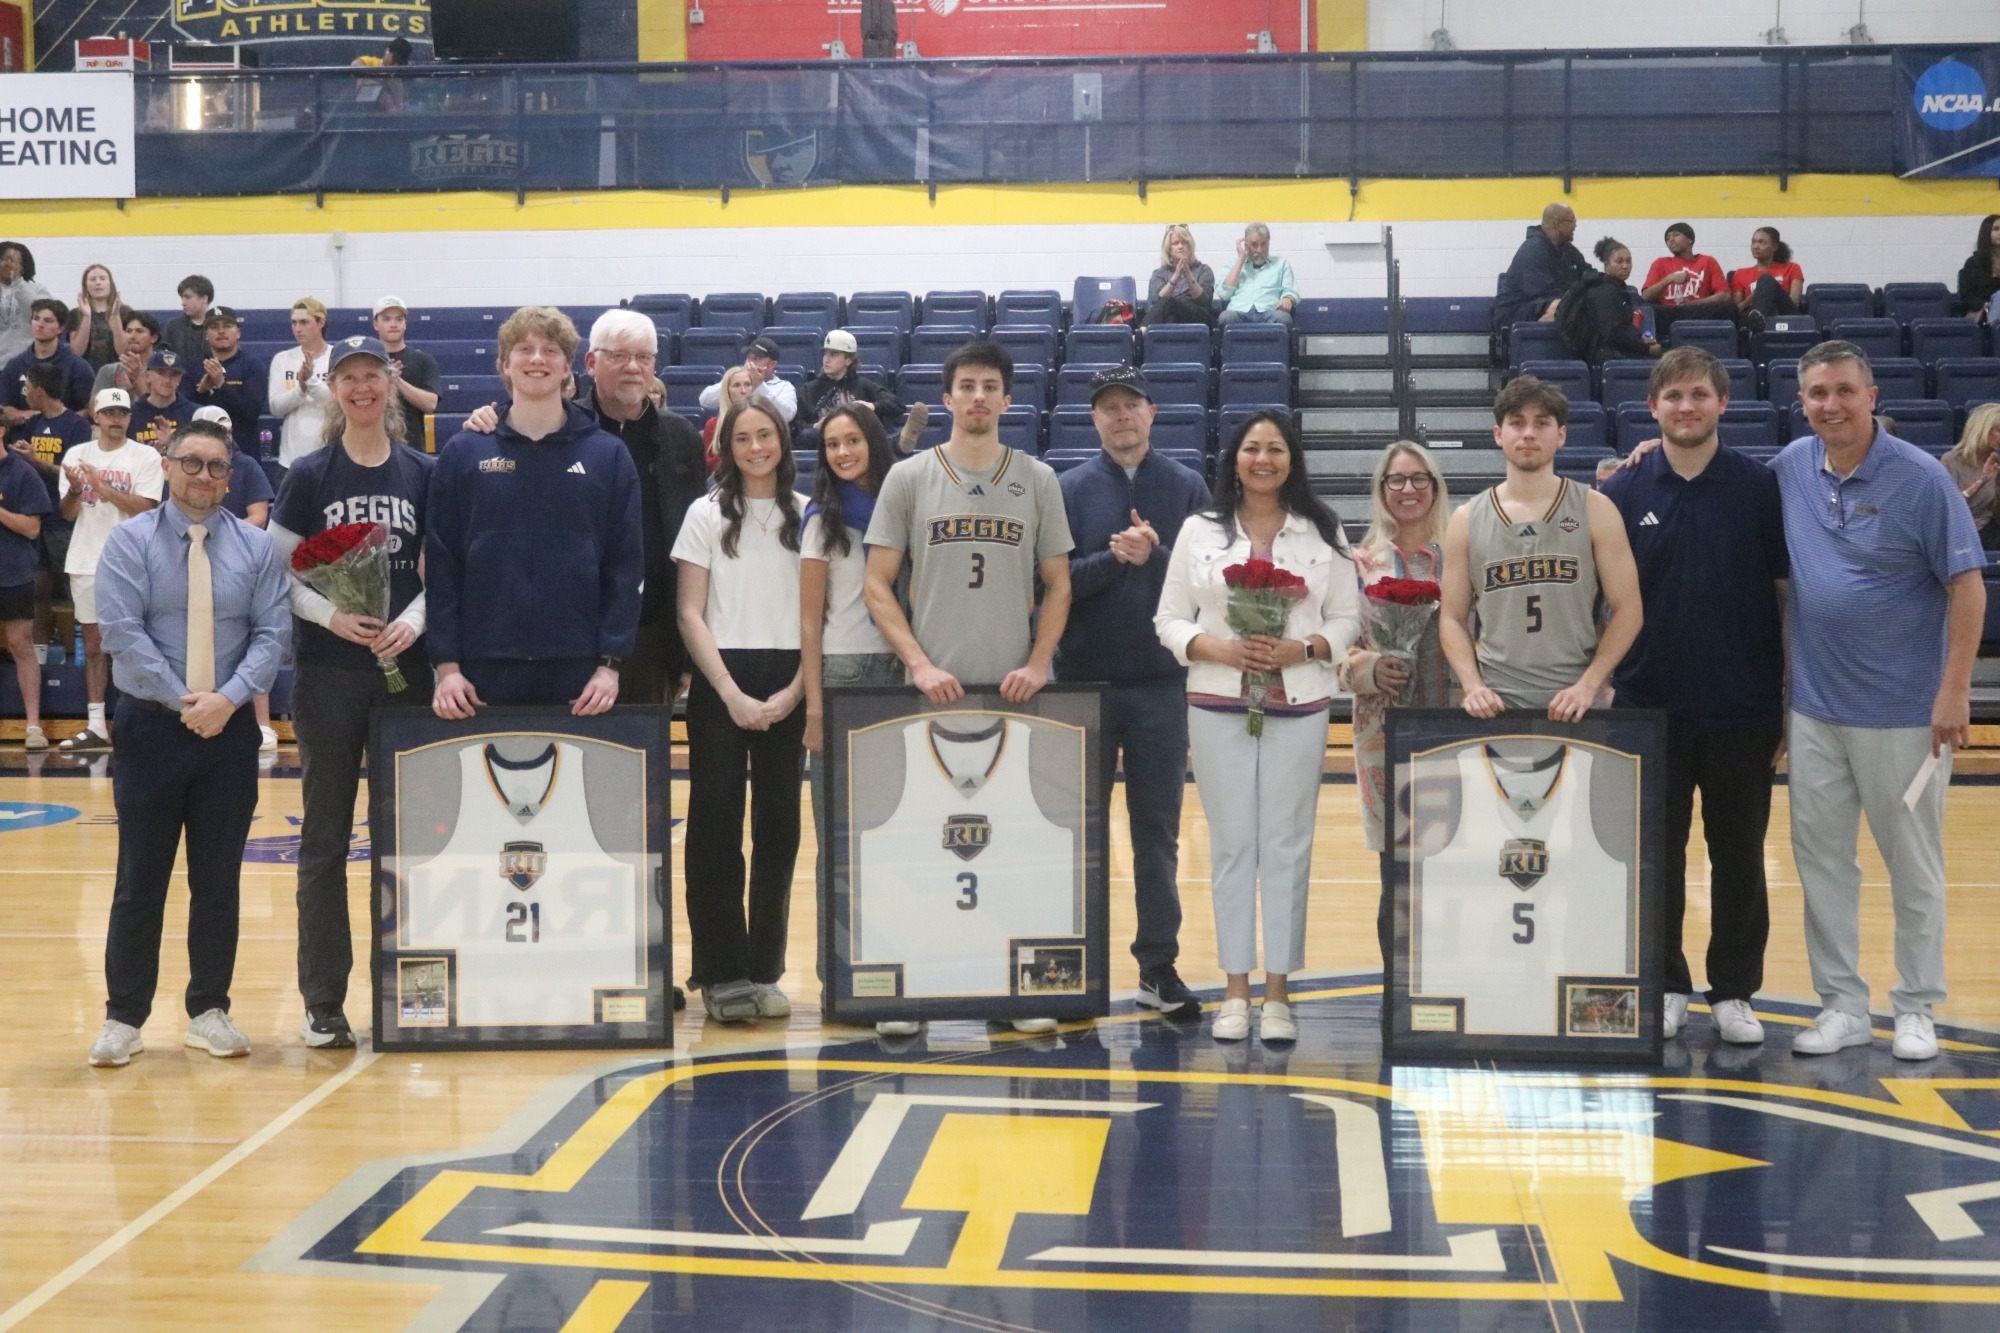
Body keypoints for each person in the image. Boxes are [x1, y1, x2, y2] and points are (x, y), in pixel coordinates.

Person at [1777, 341, 1987, 1062]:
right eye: (1817, 393)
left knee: (1914, 867)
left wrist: (1953, 690)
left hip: (1905, 714)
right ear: (1801, 402)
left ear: (1871, 397)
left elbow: (1967, 587)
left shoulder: (1921, 478)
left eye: (1844, 390)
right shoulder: (1791, 467)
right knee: (1823, 865)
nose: (1830, 404)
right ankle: (1842, 1004)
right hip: (1814, 711)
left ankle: (1917, 1005)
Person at [862, 338, 1074, 1036]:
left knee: (1012, 848)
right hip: (927, 695)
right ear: (947, 397)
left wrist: (1039, 661)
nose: (978, 396)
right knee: (921, 849)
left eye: (990, 386)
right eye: (967, 386)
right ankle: (912, 992)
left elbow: (1059, 584)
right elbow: (876, 583)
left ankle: (1014, 991)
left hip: (1014, 697)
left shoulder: (1037, 479)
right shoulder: (909, 478)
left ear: (1008, 400)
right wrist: (919, 663)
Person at [84, 420, 291, 1068]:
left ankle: (208, 1010)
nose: (204, 476)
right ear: (168, 466)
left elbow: (271, 634)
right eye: (193, 463)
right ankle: (123, 1018)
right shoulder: (129, 541)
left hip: (228, 733)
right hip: (150, 727)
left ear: (230, 477)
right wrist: (185, 702)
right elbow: (123, 632)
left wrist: (226, 700)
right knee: (139, 879)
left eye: (217, 467)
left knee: (218, 881)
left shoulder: (256, 548)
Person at [1599, 347, 1787, 1045]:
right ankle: (1668, 983)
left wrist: (1787, 698)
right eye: (1673, 396)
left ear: (1722, 403)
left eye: (1699, 394)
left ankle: (1734, 990)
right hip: (1647, 708)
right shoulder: (1621, 492)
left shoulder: (1759, 487)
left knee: (1739, 857)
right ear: (1652, 407)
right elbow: (1602, 601)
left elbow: (1785, 594)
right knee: (1655, 858)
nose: (1686, 406)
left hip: (1743, 705)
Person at [1154, 409, 1361, 1044]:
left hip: (1300, 704)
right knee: (1232, 846)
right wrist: (1215, 648)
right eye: (1251, 448)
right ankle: (1235, 991)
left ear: (1292, 460)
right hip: (1216, 703)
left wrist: (1306, 649)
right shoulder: (1199, 530)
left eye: (1275, 449)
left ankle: (1278, 993)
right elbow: (1169, 619)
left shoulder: (1323, 530)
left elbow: (1348, 617)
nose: (1263, 459)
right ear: (1235, 460)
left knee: (1287, 845)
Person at [270, 337, 434, 1049]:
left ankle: (412, 997)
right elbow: (279, 572)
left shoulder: (425, 472)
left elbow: (446, 570)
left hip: (408, 672)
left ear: (390, 383)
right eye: (349, 378)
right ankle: (324, 1001)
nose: (362, 387)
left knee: (410, 840)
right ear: (334, 389)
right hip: (328, 673)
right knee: (326, 838)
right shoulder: (309, 475)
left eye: (373, 375)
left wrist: (411, 622)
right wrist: (330, 615)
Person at [1056, 366, 1212, 1018]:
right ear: (1094, 419)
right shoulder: (1067, 487)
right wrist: (1111, 558)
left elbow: (1210, 579)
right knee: (1077, 833)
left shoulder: (1187, 484)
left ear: (1152, 412)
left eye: (1130, 405)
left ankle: (1157, 965)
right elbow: (1053, 582)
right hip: (1082, 684)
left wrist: (1157, 553)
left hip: (1161, 685)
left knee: (1157, 834)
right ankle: (1072, 966)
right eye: (1108, 408)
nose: (1120, 416)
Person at [462, 309, 708, 703]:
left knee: (644, 742)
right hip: (576, 639)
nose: (633, 367)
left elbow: (694, 546)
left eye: (643, 357)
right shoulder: (563, 427)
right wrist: (489, 418)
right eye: (619, 356)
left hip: (654, 638)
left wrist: (684, 654)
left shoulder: (681, 438)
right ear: (591, 363)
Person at [427, 306, 642, 719]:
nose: (537, 359)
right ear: (504, 364)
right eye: (524, 349)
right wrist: (447, 666)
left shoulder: (608, 455)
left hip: (580, 671)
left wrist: (609, 665)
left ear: (567, 367)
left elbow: (625, 566)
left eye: (550, 350)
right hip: (480, 669)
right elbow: (442, 565)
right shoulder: (463, 453)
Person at [674, 395, 807, 1024]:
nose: (756, 448)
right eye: (743, 438)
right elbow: (689, 612)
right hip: (720, 679)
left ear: (782, 441)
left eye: (765, 435)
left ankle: (764, 970)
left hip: (790, 680)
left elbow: (820, 616)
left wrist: (795, 692)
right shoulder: (705, 514)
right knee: (715, 825)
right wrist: (729, 692)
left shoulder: (809, 514)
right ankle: (721, 972)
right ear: (726, 448)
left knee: (779, 828)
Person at [1439, 376, 1642, 720]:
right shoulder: (1466, 519)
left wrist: (1589, 685)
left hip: (1577, 701)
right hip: (1497, 702)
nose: (1529, 433)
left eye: (1541, 423)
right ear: (1498, 435)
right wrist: (1473, 687)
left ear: (1561, 435)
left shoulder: (1595, 509)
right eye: (1517, 423)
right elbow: (1452, 618)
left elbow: (1629, 609)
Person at [799, 404, 903, 989]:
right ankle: (837, 974)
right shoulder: (822, 519)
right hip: (843, 675)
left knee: (895, 831)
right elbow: (809, 621)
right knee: (839, 835)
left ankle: (891, 964)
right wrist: (815, 707)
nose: (842, 453)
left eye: (852, 441)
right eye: (832, 445)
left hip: (903, 672)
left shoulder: (903, 504)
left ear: (873, 444)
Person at [1337, 440, 1455, 852]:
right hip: (1381, 728)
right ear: (1382, 489)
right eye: (1397, 480)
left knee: (1452, 850)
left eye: (1420, 478)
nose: (1409, 489)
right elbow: (1333, 651)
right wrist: (1369, 669)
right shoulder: (1359, 565)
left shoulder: (1462, 558)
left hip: (1455, 721)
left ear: (1435, 487)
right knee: (1395, 855)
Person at [56, 388, 167, 753]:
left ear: (129, 417)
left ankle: (142, 724)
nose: (116, 419)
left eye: (122, 412)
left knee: (138, 643)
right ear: (97, 416)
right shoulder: (76, 454)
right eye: (109, 412)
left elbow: (146, 508)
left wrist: (101, 486)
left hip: (134, 560)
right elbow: (68, 513)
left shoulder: (145, 455)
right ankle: (96, 725)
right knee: (93, 646)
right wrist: (76, 490)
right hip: (87, 558)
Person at [190, 404, 279, 750]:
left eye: (226, 427)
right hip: (192, 556)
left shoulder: (247, 466)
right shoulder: (186, 471)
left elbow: (260, 515)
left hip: (238, 558)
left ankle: (262, 723)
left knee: (252, 637)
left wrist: (221, 535)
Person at [7, 362, 91, 690]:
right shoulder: (33, 424)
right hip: (37, 518)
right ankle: (40, 658)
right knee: (38, 593)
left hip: (65, 520)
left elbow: (73, 476)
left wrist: (36, 461)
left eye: (28, 387)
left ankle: (80, 659)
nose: (24, 393)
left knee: (74, 592)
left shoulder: (76, 426)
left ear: (40, 391)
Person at [0, 408, 53, 753]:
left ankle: (33, 725)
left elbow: (33, 528)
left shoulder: (21, 472)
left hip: (12, 571)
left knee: (21, 644)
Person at [1492, 203, 1591, 339]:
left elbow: (1588, 274)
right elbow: (1546, 294)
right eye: (1572, 221)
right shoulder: (1533, 250)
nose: (1575, 226)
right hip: (1512, 315)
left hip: (1537, 307)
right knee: (1560, 307)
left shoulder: (1567, 250)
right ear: (1557, 224)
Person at [1556, 238, 1661, 366]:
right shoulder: (1605, 291)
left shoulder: (1616, 288)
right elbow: (1613, 334)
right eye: (1619, 261)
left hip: (1612, 354)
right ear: (1606, 265)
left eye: (1628, 261)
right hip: (1606, 358)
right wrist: (1646, 349)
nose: (1625, 266)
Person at [1642, 222, 1748, 335]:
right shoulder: (1660, 263)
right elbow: (1646, 296)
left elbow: (1725, 295)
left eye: (1676, 235)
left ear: (1690, 240)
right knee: (1647, 309)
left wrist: (1693, 303)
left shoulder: (1708, 261)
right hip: (1670, 313)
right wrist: (1669, 279)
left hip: (1699, 311)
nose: (1671, 240)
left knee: (1730, 307)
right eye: (1667, 238)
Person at [191, 307, 268, 458]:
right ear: (206, 335)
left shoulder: (252, 365)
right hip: (202, 453)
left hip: (243, 454)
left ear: (238, 332)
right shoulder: (194, 366)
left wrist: (221, 385)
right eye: (214, 327)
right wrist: (201, 392)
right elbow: (186, 415)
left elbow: (252, 412)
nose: (221, 331)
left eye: (227, 326)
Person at [2, 298, 94, 424]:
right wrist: (36, 417)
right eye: (36, 319)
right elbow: (6, 409)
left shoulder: (77, 366)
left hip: (65, 433)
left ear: (61, 328)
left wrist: (59, 419)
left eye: (48, 321)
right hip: (23, 433)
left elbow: (90, 409)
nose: (40, 325)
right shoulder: (15, 365)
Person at [269, 297, 334, 470]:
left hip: (329, 458)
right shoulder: (282, 359)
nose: (298, 328)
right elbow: (276, 408)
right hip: (291, 460)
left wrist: (310, 381)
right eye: (294, 323)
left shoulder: (336, 357)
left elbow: (337, 403)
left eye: (304, 322)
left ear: (321, 322)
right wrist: (301, 389)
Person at [797, 330, 901, 431]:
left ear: (848, 360)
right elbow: (796, 426)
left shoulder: (863, 385)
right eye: (825, 353)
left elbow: (897, 404)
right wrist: (814, 427)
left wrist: (872, 406)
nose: (826, 359)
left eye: (833, 354)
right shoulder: (809, 389)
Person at [698, 335, 797, 423]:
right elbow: (705, 401)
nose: (750, 363)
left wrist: (759, 386)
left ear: (772, 364)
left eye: (756, 359)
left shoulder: (784, 387)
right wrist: (731, 381)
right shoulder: (736, 380)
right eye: (748, 358)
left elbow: (787, 416)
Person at [1217, 224, 1299, 327]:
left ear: (1268, 242)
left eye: (1263, 244)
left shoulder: (1281, 264)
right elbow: (1224, 294)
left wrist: (1287, 298)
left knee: (1283, 318)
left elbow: (1291, 291)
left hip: (1269, 311)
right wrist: (1241, 258)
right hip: (1239, 311)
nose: (1259, 250)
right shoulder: (1233, 264)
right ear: (1246, 245)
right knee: (1225, 317)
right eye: (1254, 245)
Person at [371, 296, 441, 416]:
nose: (393, 324)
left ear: (405, 324)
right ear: (376, 324)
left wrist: (397, 381)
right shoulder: (368, 360)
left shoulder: (423, 361)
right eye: (386, 319)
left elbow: (431, 405)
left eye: (399, 319)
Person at [1944, 402, 2000, 549]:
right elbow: (1948, 507)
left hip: (1988, 528)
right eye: (1999, 431)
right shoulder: (1951, 460)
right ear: (1981, 431)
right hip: (1957, 529)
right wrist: (1981, 482)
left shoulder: (1996, 461)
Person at [1146, 225, 1216, 327]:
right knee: (1170, 316)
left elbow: (1205, 300)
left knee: (1170, 302)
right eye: (1175, 243)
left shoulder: (1203, 270)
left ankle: (1141, 331)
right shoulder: (1159, 273)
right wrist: (1175, 276)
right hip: (1169, 313)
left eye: (1184, 242)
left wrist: (1188, 273)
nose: (1180, 246)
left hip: (1197, 315)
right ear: (1168, 249)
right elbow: (1156, 301)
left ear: (1190, 246)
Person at [91, 308, 165, 403]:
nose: (132, 336)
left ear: (154, 338)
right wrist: (124, 392)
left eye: (140, 331)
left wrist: (137, 381)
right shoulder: (109, 371)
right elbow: (94, 407)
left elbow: (158, 407)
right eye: (128, 331)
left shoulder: (163, 371)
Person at [1729, 227, 1805, 319]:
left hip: (1783, 315)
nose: (1756, 246)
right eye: (1753, 242)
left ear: (1775, 247)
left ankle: (1758, 318)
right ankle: (1757, 318)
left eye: (1762, 243)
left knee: (1766, 279)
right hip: (1750, 315)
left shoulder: (1792, 268)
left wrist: (1769, 294)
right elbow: (1737, 309)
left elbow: (1794, 303)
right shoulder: (1741, 273)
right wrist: (1752, 298)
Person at [128, 351, 196, 454]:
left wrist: (171, 444)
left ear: (180, 379)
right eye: (161, 373)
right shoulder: (131, 414)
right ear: (147, 376)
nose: (167, 380)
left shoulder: (194, 413)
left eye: (174, 374)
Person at [65, 264, 123, 370]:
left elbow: (123, 352)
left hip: (117, 372)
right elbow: (77, 352)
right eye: (92, 279)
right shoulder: (75, 313)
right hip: (86, 371)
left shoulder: (124, 311)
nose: (98, 282)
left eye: (103, 278)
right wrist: (87, 317)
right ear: (86, 286)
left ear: (110, 284)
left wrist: (115, 316)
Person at [0, 241, 48, 365]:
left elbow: (42, 314)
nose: (11, 264)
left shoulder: (38, 290)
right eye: (7, 259)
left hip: (28, 364)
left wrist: (17, 283)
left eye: (17, 262)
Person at [702, 365, 757, 469]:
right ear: (727, 391)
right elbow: (707, 466)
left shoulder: (763, 421)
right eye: (736, 385)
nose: (743, 391)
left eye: (747, 384)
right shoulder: (713, 425)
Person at [160, 275, 214, 366]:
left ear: (204, 299)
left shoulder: (217, 327)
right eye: (182, 298)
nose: (183, 303)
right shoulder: (173, 327)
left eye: (188, 297)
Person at [1957, 214, 2000, 320]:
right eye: (1996, 229)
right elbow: (1966, 295)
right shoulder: (1973, 263)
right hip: (1980, 312)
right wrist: (1984, 304)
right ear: (1986, 232)